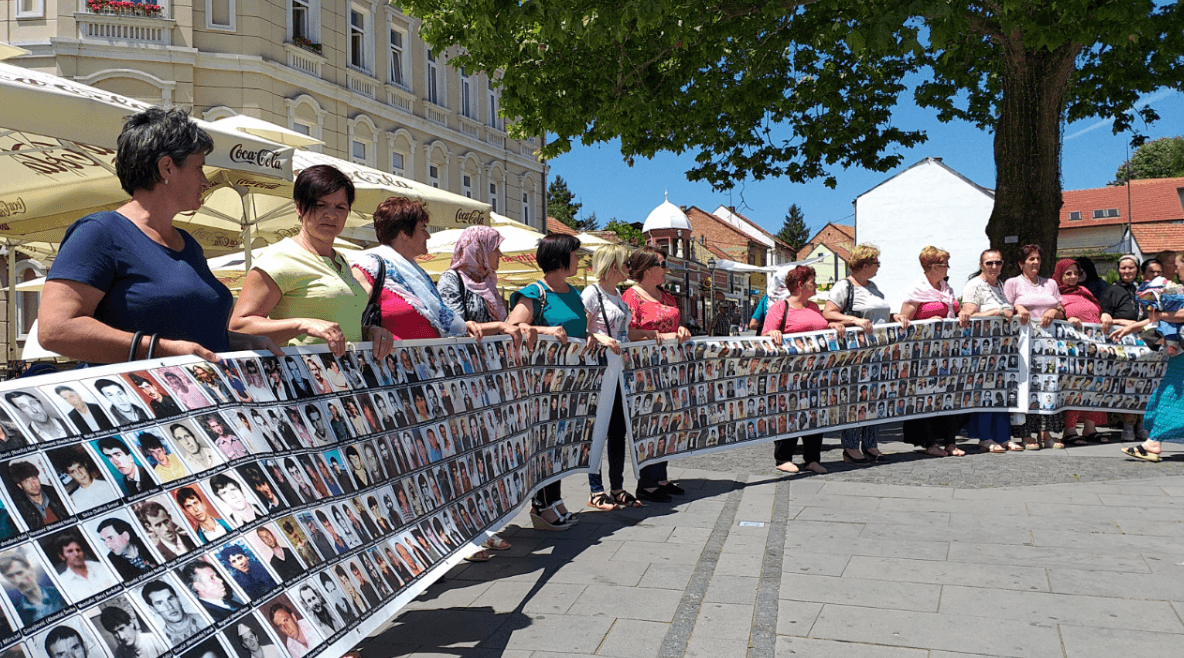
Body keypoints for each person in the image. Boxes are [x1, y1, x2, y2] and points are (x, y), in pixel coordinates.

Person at [38, 106, 277, 364]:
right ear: (167, 168)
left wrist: (243, 342)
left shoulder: (189, 245)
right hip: (137, 399)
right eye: (199, 167)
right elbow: (55, 331)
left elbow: (189, 334)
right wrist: (159, 350)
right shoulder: (99, 233)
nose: (206, 181)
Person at [230, 164, 394, 358]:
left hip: (346, 378)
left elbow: (337, 320)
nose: (331, 214)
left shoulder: (339, 259)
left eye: (340, 207)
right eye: (320, 205)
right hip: (303, 379)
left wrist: (368, 332)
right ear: (299, 207)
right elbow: (238, 327)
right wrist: (303, 324)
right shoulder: (279, 257)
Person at [506, 234, 585, 529]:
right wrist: (546, 330)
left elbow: (578, 331)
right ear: (561, 256)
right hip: (543, 384)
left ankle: (555, 497)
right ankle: (541, 504)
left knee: (561, 442)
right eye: (575, 254)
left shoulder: (574, 293)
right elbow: (513, 327)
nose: (579, 259)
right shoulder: (535, 292)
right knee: (545, 442)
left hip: (570, 381)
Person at [351, 197, 480, 343]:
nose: (428, 236)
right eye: (423, 229)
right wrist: (368, 332)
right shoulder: (370, 267)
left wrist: (462, 326)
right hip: (391, 362)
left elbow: (431, 320)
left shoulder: (417, 273)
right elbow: (347, 320)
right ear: (404, 233)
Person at [582, 244, 651, 508]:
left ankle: (617, 486)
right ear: (613, 266)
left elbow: (625, 331)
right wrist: (599, 337)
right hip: (600, 370)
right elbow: (582, 329)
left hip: (620, 370)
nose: (629, 269)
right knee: (598, 429)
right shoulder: (591, 293)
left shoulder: (618, 294)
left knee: (618, 430)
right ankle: (595, 488)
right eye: (625, 264)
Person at [623, 246, 691, 502]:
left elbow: (674, 325)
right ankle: (647, 483)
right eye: (662, 265)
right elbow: (627, 332)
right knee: (650, 422)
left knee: (668, 421)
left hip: (669, 368)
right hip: (644, 369)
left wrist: (681, 330)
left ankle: (661, 476)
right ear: (649, 269)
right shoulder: (632, 296)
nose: (666, 270)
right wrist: (652, 335)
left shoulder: (667, 298)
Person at [823, 244, 900, 463]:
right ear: (865, 264)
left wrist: (895, 317)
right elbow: (828, 312)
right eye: (876, 263)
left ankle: (870, 444)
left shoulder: (873, 286)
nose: (878, 267)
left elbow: (879, 314)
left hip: (879, 352)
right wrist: (854, 320)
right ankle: (851, 445)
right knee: (856, 399)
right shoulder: (844, 286)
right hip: (857, 354)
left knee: (875, 398)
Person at [761, 266, 842, 474]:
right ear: (800, 284)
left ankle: (812, 458)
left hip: (816, 372)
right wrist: (772, 333)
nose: (815, 284)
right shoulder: (781, 307)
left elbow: (822, 328)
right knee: (789, 412)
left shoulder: (814, 306)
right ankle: (783, 457)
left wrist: (832, 327)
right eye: (812, 281)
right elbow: (764, 336)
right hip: (789, 373)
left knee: (815, 413)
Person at [898, 246, 966, 458]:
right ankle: (929, 442)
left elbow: (953, 309)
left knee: (949, 395)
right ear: (932, 267)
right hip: (925, 353)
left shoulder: (946, 288)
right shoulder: (916, 291)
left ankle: (950, 441)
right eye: (944, 264)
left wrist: (962, 313)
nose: (948, 268)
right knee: (927, 396)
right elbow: (904, 322)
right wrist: (927, 321)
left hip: (948, 350)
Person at [1004, 243, 1069, 449]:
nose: (1035, 262)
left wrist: (1053, 312)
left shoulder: (1050, 284)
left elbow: (1061, 311)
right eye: (1031, 259)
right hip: (1023, 344)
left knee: (1047, 384)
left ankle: (1046, 432)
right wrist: (1018, 306)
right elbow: (1004, 309)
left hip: (1048, 344)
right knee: (1026, 386)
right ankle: (1025, 434)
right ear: (1021, 263)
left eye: (1038, 259)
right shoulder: (1013, 283)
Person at [958, 248, 1022, 453]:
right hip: (982, 349)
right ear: (981, 265)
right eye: (989, 263)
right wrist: (997, 312)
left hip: (1002, 349)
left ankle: (1003, 436)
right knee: (984, 393)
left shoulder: (1000, 286)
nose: (994, 266)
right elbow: (967, 315)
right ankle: (985, 437)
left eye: (998, 262)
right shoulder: (974, 285)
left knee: (1002, 392)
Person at [1054, 258, 1113, 445]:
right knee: (1075, 386)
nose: (1072, 277)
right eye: (1068, 273)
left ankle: (1090, 427)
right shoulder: (1055, 294)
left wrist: (1104, 314)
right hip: (1073, 348)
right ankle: (1070, 430)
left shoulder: (1085, 291)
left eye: (1076, 273)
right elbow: (1054, 315)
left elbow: (1097, 309)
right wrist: (1065, 319)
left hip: (1095, 347)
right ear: (1060, 275)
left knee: (1095, 385)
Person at [0, 551, 67, 625]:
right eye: (10, 576)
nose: (18, 581)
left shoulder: (61, 593)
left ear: (30, 569)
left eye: (20, 573)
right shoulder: (19, 616)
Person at [51, 447, 120, 510]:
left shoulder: (107, 485)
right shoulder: (75, 498)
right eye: (73, 471)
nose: (79, 473)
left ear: (85, 465)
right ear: (69, 475)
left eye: (80, 467)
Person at [6, 459, 68, 529]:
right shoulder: (19, 508)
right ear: (20, 486)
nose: (33, 484)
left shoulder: (55, 493)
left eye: (34, 478)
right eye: (26, 481)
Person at [52, 536, 118, 601]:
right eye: (70, 551)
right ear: (62, 556)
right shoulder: (63, 582)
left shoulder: (100, 567)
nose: (76, 554)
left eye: (78, 550)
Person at [141, 579, 205, 643]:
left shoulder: (204, 618)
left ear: (178, 599)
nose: (170, 607)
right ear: (153, 609)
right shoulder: (162, 641)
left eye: (170, 599)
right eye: (160, 603)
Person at [99, 604, 170, 658]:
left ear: (131, 623)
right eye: (115, 633)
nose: (121, 637)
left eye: (122, 629)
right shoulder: (120, 653)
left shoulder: (156, 640)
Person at [4, 390, 72, 441]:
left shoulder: (69, 422)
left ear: (40, 403)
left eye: (33, 403)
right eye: (24, 407)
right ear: (22, 411)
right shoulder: (26, 436)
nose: (34, 411)